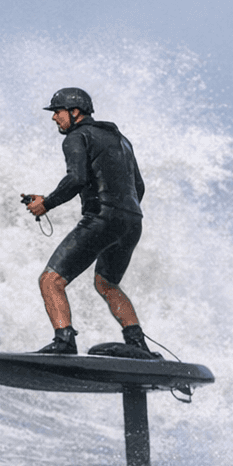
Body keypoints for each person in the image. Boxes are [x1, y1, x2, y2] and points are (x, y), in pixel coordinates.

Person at [22, 87, 156, 359]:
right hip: (132, 221)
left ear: (74, 112)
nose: (54, 118)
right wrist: (121, 215)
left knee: (51, 280)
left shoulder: (76, 136)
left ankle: (64, 341)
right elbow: (138, 187)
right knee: (107, 283)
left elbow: (77, 179)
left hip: (103, 219)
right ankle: (137, 344)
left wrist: (45, 203)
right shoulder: (122, 140)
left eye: (57, 112)